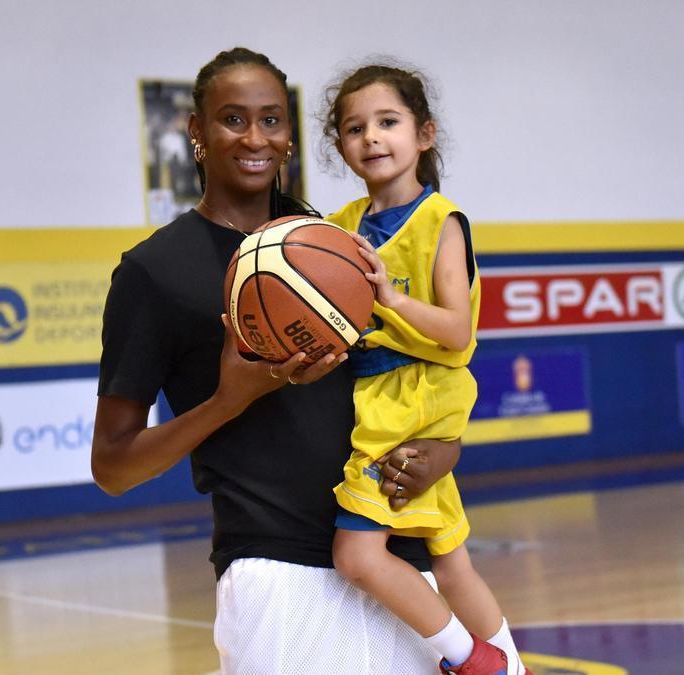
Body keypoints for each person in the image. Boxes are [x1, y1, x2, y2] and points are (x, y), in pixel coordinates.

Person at [91, 47, 462, 674]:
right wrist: (227, 400)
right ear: (196, 132)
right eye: (233, 119)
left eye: (271, 119)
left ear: (290, 134)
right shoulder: (152, 272)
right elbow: (113, 467)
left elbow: (413, 372)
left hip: (390, 547)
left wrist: (443, 450)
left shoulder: (331, 239)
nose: (256, 138)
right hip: (277, 568)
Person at [321, 63, 531, 675]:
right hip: (378, 388)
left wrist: (389, 298)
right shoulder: (338, 227)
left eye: (388, 122)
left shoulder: (441, 221)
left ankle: (469, 658)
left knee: (357, 556)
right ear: (341, 147)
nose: (372, 137)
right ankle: (512, 666)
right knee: (451, 558)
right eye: (355, 128)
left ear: (425, 134)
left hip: (413, 392)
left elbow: (457, 330)